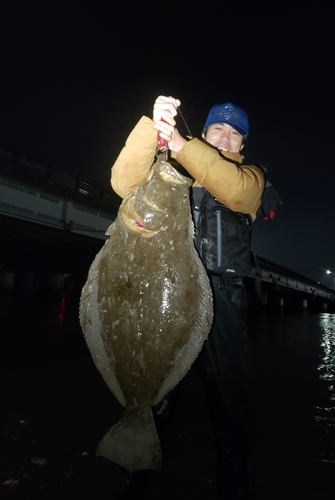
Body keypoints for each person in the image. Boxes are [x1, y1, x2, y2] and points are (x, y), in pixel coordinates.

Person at [111, 96, 275, 499]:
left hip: (223, 306)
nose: (226, 137)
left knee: (229, 406)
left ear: (242, 146)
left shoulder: (251, 179)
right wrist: (155, 127)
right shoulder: (169, 173)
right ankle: (137, 475)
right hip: (165, 296)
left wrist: (183, 145)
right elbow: (122, 182)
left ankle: (234, 485)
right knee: (155, 397)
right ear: (205, 132)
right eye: (218, 129)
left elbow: (233, 190)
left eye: (235, 134)